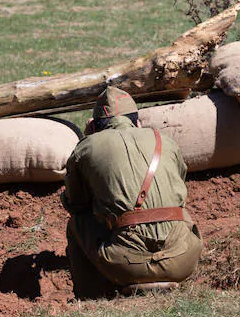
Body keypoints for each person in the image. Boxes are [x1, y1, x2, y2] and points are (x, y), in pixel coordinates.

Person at [62, 87, 202, 299]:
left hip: (127, 267)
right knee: (179, 211)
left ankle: (91, 298)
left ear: (92, 126)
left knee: (77, 223)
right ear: (138, 123)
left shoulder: (86, 147)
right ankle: (173, 279)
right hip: (183, 261)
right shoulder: (166, 141)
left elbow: (75, 204)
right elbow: (180, 187)